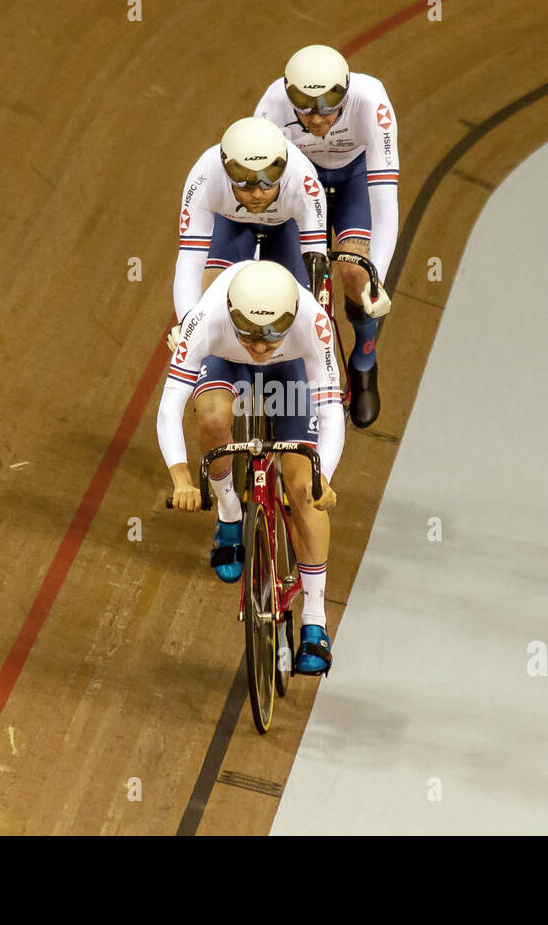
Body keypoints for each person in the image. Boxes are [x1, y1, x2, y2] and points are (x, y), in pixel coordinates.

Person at [159, 260, 343, 675]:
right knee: (211, 420)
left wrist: (322, 476)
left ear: (293, 317)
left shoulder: (314, 321)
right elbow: (170, 407)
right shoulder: (205, 320)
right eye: (250, 332)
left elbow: (330, 409)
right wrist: (182, 479)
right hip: (226, 361)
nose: (260, 346)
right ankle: (228, 510)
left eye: (272, 333)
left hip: (290, 369)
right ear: (230, 314)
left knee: (303, 489)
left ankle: (315, 619)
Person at [255, 44, 397, 428]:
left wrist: (373, 276)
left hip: (354, 181)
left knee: (355, 276)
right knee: (292, 283)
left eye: (327, 106)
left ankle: (364, 362)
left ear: (346, 93)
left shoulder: (372, 102)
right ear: (289, 95)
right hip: (301, 184)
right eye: (305, 106)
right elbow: (261, 195)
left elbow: (384, 205)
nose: (316, 119)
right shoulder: (271, 107)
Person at [169, 116, 328, 352]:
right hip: (232, 223)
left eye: (267, 182)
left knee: (295, 322)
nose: (256, 194)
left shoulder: (302, 177)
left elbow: (314, 255)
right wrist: (188, 321)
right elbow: (191, 257)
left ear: (282, 167)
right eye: (244, 183)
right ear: (226, 170)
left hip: (284, 227)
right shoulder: (205, 174)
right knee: (209, 303)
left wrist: (313, 317)